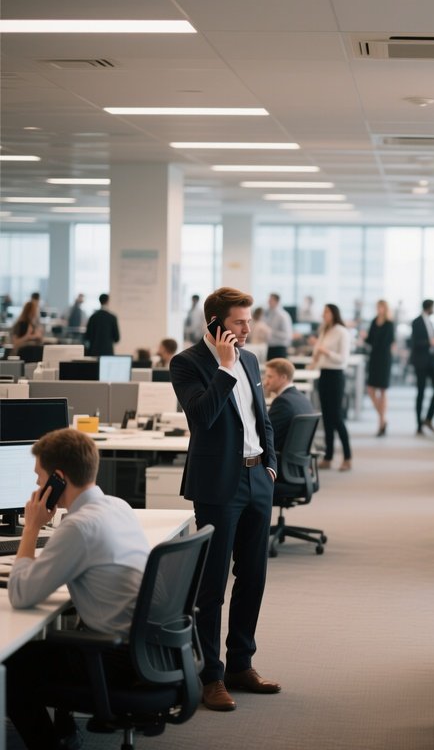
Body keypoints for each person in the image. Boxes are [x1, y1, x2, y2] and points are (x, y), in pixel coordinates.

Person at [170, 286, 280, 713]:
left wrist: (270, 465)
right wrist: (225, 367)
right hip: (219, 484)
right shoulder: (188, 363)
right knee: (213, 585)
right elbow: (201, 417)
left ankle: (240, 665)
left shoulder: (252, 359)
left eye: (248, 321)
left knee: (253, 576)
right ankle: (210, 674)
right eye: (238, 322)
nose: (247, 329)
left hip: (258, 481)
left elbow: (261, 419)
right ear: (215, 325)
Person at [6, 428, 150, 749]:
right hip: (148, 649)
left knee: (11, 665)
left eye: (38, 477)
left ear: (57, 479)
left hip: (114, 659)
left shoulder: (78, 526)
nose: (36, 486)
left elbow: (21, 594)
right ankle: (64, 729)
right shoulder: (118, 506)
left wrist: (31, 528)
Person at [309, 303, 352, 471]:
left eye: (326, 311)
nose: (323, 314)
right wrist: (316, 357)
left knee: (336, 417)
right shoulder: (325, 330)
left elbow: (343, 359)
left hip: (336, 375)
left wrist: (325, 351)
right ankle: (328, 456)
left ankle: (347, 457)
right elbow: (316, 353)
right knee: (326, 417)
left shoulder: (342, 331)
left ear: (334, 313)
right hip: (324, 375)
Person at [265, 358, 314, 452]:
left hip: (279, 460)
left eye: (270, 377)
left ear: (283, 377)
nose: (265, 381)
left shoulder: (282, 402)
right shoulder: (303, 399)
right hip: (297, 462)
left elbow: (267, 435)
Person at [410, 299, 434, 435]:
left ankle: (428, 418)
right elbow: (414, 343)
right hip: (421, 361)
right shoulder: (416, 322)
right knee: (421, 392)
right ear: (429, 307)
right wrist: (429, 342)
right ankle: (419, 425)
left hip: (432, 360)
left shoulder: (430, 321)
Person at [365, 299, 395, 437]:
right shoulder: (373, 321)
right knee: (370, 390)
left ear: (385, 308)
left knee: (382, 390)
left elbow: (386, 342)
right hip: (374, 358)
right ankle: (384, 419)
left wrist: (372, 340)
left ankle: (381, 422)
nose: (379, 309)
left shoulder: (389, 324)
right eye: (377, 307)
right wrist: (365, 338)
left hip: (384, 359)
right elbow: (370, 340)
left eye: (381, 307)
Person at [264, 292, 293, 360]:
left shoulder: (283, 316)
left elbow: (287, 335)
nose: (268, 302)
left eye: (270, 300)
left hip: (280, 349)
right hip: (270, 347)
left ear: (276, 301)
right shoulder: (269, 314)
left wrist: (271, 332)